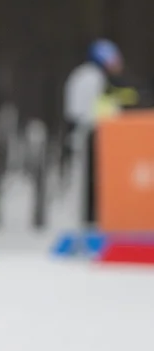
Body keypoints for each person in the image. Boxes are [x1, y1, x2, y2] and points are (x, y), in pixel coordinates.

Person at [63, 39, 140, 225]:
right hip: (91, 134)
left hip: (91, 134)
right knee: (91, 185)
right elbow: (95, 108)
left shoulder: (88, 75)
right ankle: (91, 222)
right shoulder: (92, 77)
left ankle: (92, 220)